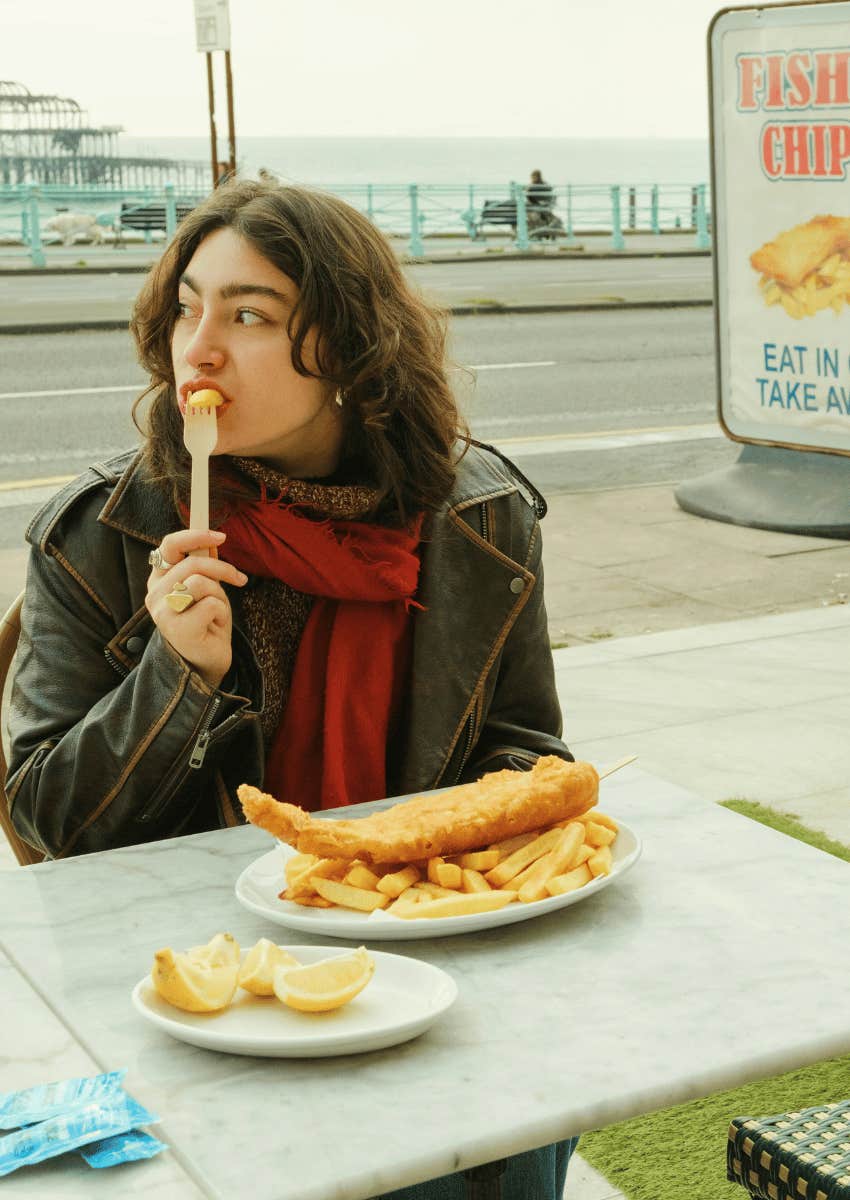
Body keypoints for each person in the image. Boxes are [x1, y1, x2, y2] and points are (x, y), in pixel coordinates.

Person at [8, 179, 577, 1199]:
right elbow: (49, 827)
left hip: (423, 957)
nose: (201, 347)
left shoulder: (477, 517)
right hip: (194, 984)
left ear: (353, 352)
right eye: (188, 307)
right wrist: (176, 675)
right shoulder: (100, 533)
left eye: (251, 315)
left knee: (515, 1118)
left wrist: (466, 861)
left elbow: (521, 751)